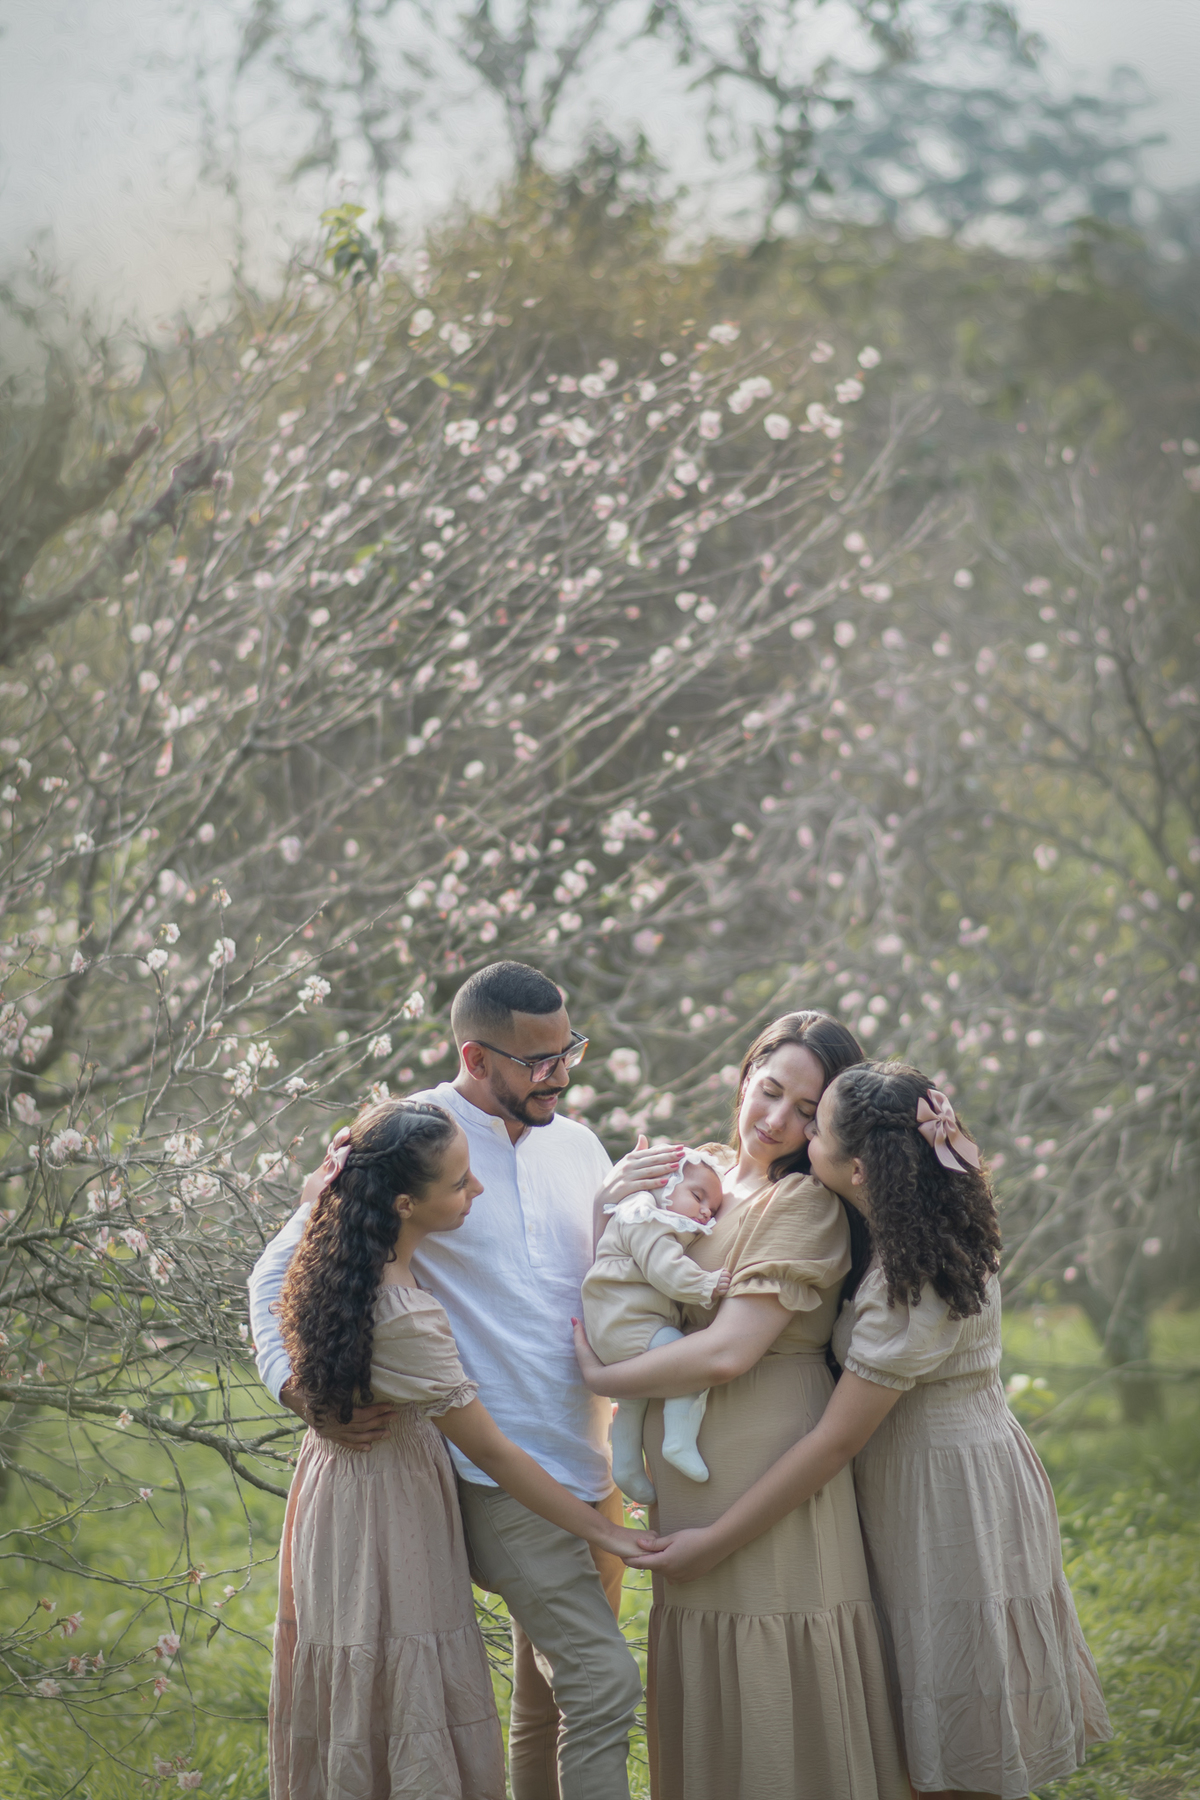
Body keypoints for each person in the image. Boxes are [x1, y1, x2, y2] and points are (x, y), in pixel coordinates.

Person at [251, 961, 675, 1800]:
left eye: (568, 1050)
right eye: (537, 1060)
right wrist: (295, 1388)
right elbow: (277, 1272)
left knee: (546, 1702)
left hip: (589, 1465)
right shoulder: (411, 1140)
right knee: (602, 1683)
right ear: (476, 1058)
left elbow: (587, 1291)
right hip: (493, 1472)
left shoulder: (580, 1145)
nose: (559, 1073)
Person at [630, 1063, 1112, 1800]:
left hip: (941, 1491)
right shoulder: (933, 1216)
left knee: (951, 1734)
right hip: (936, 1471)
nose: (799, 1135)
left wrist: (714, 1541)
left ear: (856, 1167)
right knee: (917, 1722)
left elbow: (834, 1440)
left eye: (815, 1126)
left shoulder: (906, 1282)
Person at [574, 1012, 909, 1800]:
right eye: (770, 1091)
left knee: (775, 1679)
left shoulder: (805, 1204)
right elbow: (619, 1280)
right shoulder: (704, 1174)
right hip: (687, 1470)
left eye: (806, 1110)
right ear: (745, 1075)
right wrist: (605, 1212)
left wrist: (603, 1379)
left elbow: (728, 1351)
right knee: (710, 1686)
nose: (778, 1121)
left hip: (767, 1455)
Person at [582, 1149, 730, 1502]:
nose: (706, 1211)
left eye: (713, 1207)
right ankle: (678, 1440)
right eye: (697, 1196)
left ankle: (627, 1467)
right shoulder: (644, 1217)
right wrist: (705, 1285)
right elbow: (664, 1269)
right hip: (629, 1322)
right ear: (666, 1186)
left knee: (634, 1400)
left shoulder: (650, 1220)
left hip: (616, 1327)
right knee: (684, 1363)